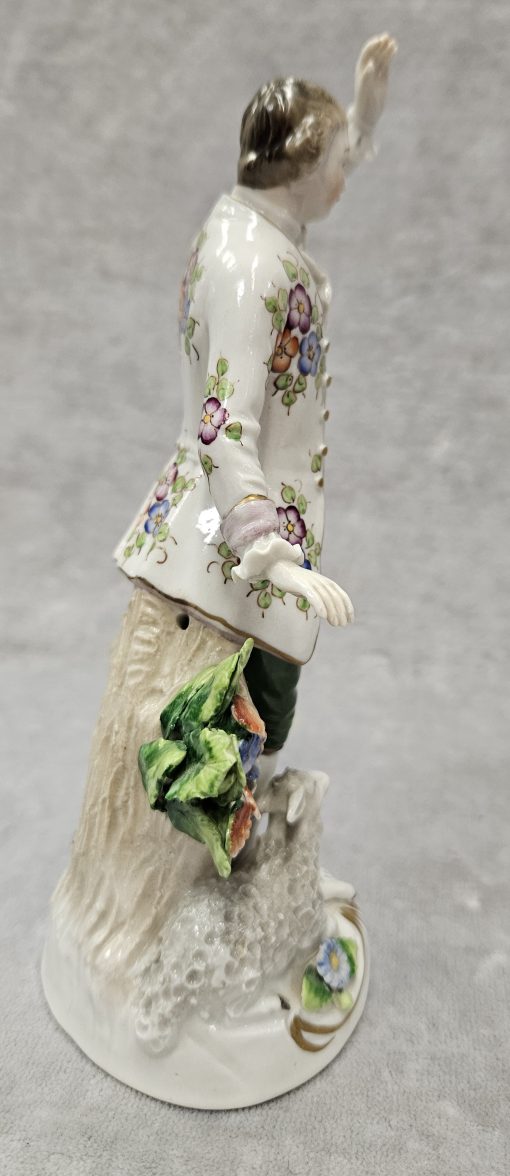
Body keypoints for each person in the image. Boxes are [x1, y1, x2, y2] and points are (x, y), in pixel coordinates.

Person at [114, 34, 397, 763]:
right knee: (233, 729)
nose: (342, 182)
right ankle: (239, 827)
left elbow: (324, 161)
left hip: (234, 534)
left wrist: (363, 116)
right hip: (228, 551)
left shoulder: (246, 226)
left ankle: (260, 820)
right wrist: (271, 555)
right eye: (336, 165)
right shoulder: (253, 268)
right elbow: (223, 426)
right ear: (299, 167)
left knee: (257, 728)